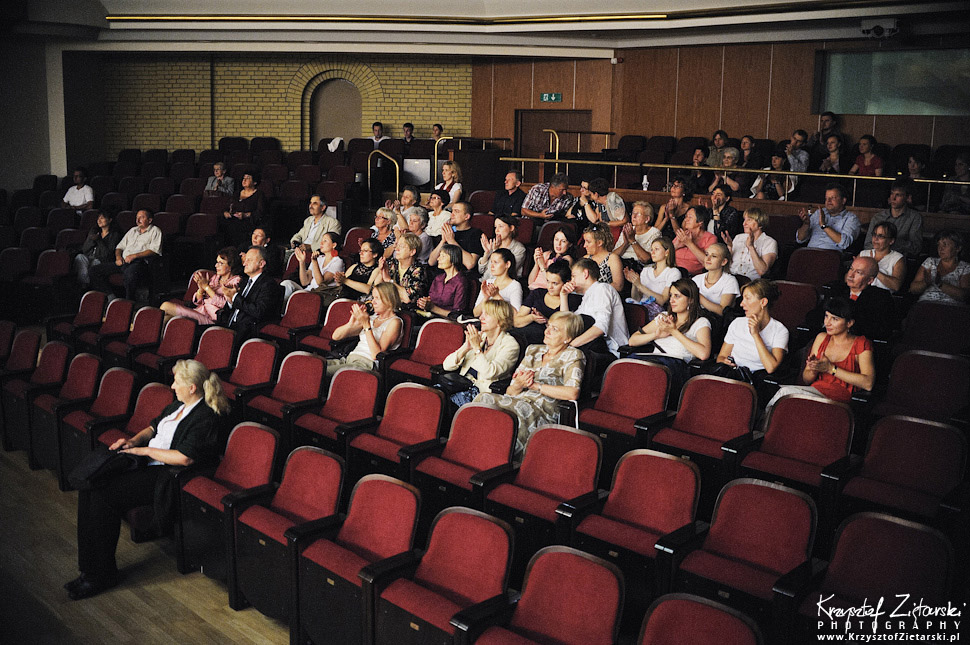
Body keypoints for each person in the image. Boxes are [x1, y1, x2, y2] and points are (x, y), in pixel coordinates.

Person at [67, 359, 228, 600]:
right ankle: (89, 570)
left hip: (166, 477)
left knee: (104, 494)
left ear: (192, 387)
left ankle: (100, 575)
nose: (172, 386)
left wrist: (144, 451)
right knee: (91, 484)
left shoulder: (205, 416)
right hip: (147, 464)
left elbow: (184, 458)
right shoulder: (178, 405)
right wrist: (133, 441)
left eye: (176, 382)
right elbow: (152, 428)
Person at [474, 311, 586, 456]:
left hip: (543, 408)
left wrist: (536, 386)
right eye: (548, 326)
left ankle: (502, 457)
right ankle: (475, 448)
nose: (547, 331)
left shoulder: (574, 355)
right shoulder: (533, 350)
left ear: (568, 337)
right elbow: (510, 392)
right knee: (483, 399)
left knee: (513, 414)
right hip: (518, 399)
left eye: (555, 329)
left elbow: (572, 392)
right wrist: (519, 384)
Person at [767, 297, 874, 408]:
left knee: (785, 393)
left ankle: (764, 419)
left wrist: (831, 369)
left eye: (834, 319)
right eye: (826, 316)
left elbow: (868, 383)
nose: (827, 323)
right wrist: (813, 369)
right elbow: (806, 379)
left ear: (849, 323)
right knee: (784, 395)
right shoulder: (822, 338)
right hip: (815, 391)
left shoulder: (862, 343)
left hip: (839, 399)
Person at [628, 279, 712, 395]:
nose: (671, 300)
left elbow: (703, 354)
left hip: (674, 367)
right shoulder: (664, 317)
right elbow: (632, 341)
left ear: (691, 300)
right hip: (652, 361)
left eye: (677, 296)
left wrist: (674, 331)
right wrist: (656, 335)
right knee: (626, 366)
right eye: (671, 295)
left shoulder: (700, 322)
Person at [440, 299, 519, 407]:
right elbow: (446, 365)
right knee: (432, 396)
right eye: (482, 314)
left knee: (442, 404)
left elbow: (490, 372)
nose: (481, 318)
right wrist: (466, 347)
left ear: (500, 320)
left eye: (487, 314)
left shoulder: (511, 345)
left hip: (480, 394)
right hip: (459, 385)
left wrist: (477, 348)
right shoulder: (480, 337)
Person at [807, 256, 895, 342]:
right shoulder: (837, 289)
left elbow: (879, 330)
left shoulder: (880, 297)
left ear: (870, 280)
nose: (851, 275)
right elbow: (814, 316)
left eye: (858, 272)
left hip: (858, 342)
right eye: (851, 269)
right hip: (828, 338)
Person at [325, 282, 402, 376]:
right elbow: (335, 337)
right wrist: (350, 324)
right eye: (373, 298)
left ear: (389, 299)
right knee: (315, 365)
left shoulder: (395, 322)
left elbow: (376, 355)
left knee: (321, 372)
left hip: (366, 364)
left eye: (377, 298)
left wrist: (366, 325)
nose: (373, 301)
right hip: (349, 359)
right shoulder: (371, 318)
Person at [715, 279, 788, 377]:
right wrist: (724, 362)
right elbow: (721, 357)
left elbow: (771, 367)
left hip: (756, 379)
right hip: (732, 374)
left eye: (747, 298)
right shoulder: (737, 323)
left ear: (763, 302)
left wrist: (756, 335)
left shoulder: (780, 330)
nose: (741, 304)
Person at [89, 209, 162, 300]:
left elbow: (154, 250)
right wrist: (118, 257)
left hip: (140, 262)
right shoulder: (133, 230)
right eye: (137, 217)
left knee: (129, 275)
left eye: (141, 217)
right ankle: (110, 296)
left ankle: (129, 302)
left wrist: (135, 256)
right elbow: (119, 247)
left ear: (149, 220)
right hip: (124, 261)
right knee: (94, 271)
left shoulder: (155, 231)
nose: (138, 220)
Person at [563, 258, 630, 356]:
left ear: (585, 274)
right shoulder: (588, 295)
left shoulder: (602, 289)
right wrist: (563, 296)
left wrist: (571, 345)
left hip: (611, 350)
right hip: (593, 347)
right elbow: (567, 322)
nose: (572, 281)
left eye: (574, 276)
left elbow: (601, 327)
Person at [160, 248, 242, 325]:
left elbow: (225, 304)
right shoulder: (216, 277)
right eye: (217, 262)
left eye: (220, 263)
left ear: (231, 266)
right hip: (200, 311)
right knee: (167, 318)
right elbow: (199, 302)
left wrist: (206, 287)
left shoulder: (236, 281)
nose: (216, 265)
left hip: (212, 318)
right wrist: (201, 290)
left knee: (166, 306)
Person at [216, 246, 283, 337]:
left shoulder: (269, 285)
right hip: (230, 326)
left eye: (249, 260)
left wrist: (235, 297)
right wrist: (230, 299)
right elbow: (232, 307)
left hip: (247, 331)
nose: (244, 263)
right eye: (245, 260)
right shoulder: (243, 281)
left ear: (261, 264)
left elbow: (259, 311)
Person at [514, 260, 581, 346]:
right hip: (520, 334)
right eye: (548, 281)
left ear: (566, 282)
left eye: (555, 283)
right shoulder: (537, 293)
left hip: (542, 340)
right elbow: (516, 322)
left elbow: (564, 328)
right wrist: (532, 317)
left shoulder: (573, 300)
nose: (550, 286)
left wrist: (546, 321)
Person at [280, 231, 344, 304]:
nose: (321, 243)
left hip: (320, 295)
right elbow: (305, 282)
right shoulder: (319, 258)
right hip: (308, 290)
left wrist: (314, 261)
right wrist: (302, 262)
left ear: (334, 245)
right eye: (321, 240)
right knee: (287, 284)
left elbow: (321, 283)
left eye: (325, 241)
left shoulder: (338, 261)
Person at [909, 230, 970, 306]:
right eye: (939, 245)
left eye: (945, 244)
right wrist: (925, 283)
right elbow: (913, 289)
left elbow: (964, 296)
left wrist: (940, 284)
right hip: (926, 304)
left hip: (951, 307)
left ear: (958, 248)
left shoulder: (965, 267)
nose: (940, 248)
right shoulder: (930, 261)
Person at [795, 184, 861, 251]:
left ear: (843, 201)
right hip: (809, 252)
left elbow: (845, 243)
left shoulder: (851, 219)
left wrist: (824, 225)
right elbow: (800, 239)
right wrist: (806, 224)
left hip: (830, 255)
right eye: (826, 198)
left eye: (833, 198)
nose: (828, 201)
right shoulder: (818, 213)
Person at [374, 232, 430, 306]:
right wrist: (381, 272)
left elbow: (408, 298)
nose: (396, 249)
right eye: (397, 245)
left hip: (407, 310)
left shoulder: (419, 270)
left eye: (401, 246)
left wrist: (389, 280)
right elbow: (376, 287)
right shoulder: (392, 263)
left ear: (412, 252)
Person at [723, 207, 778, 281]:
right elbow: (728, 265)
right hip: (730, 278)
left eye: (749, 220)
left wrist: (751, 247)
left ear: (760, 223)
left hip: (751, 282)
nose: (744, 224)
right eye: (744, 219)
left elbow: (762, 271)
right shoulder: (738, 237)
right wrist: (729, 247)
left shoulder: (769, 242)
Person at [417, 244, 471, 318]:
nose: (438, 259)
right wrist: (424, 302)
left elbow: (457, 314)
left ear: (453, 259)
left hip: (448, 321)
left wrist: (433, 308)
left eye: (443, 256)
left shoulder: (461, 282)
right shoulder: (438, 278)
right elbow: (431, 299)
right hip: (430, 317)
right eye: (439, 256)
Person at [624, 237, 681, 305]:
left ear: (667, 252)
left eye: (656, 249)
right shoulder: (646, 270)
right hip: (642, 308)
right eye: (651, 250)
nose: (652, 253)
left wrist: (640, 285)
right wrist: (634, 283)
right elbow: (637, 299)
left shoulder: (673, 272)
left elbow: (663, 301)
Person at [429, 202, 483, 272]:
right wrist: (443, 241)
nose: (452, 214)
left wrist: (452, 241)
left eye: (456, 211)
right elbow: (431, 262)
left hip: (462, 275)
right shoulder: (449, 232)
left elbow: (470, 264)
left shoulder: (475, 233)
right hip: (442, 274)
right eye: (452, 211)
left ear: (466, 217)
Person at [75, 210, 121, 287]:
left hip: (102, 259)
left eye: (102, 218)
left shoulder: (115, 235)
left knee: (95, 263)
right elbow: (85, 250)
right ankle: (86, 283)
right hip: (90, 256)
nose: (99, 221)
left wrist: (99, 240)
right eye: (98, 218)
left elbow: (107, 254)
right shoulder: (94, 231)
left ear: (109, 220)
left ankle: (87, 286)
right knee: (80, 257)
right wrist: (91, 240)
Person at [692, 243, 739, 317]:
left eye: (714, 256)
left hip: (716, 321)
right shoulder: (696, 279)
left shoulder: (730, 281)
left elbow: (723, 311)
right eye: (707, 254)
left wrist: (697, 295)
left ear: (723, 262)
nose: (708, 259)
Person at [221, 171, 266, 248]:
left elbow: (260, 212)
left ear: (254, 182)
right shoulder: (237, 193)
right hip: (233, 220)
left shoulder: (259, 194)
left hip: (248, 222)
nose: (244, 180)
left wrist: (245, 215)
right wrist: (226, 212)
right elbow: (226, 207)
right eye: (243, 178)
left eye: (248, 178)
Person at [528, 225, 580, 290]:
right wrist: (536, 264)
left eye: (563, 241)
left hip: (547, 291)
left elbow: (552, 282)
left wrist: (542, 265)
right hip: (533, 289)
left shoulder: (568, 259)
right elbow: (530, 282)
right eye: (556, 239)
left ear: (570, 244)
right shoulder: (546, 254)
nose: (558, 244)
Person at [474, 248, 523, 316]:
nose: (492, 266)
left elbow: (516, 315)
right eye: (491, 262)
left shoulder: (514, 286)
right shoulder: (488, 282)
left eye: (496, 262)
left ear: (507, 264)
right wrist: (486, 297)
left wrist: (496, 296)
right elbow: (475, 313)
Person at [613, 201, 661, 271]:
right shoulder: (628, 229)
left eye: (638, 214)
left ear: (647, 219)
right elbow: (613, 255)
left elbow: (646, 259)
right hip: (620, 264)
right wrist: (625, 243)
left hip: (638, 267)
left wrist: (632, 240)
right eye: (633, 213)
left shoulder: (654, 233)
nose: (634, 216)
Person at [672, 205, 717, 276]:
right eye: (686, 217)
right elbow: (664, 255)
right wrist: (675, 246)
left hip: (693, 277)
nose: (686, 220)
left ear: (700, 222)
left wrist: (689, 244)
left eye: (690, 217)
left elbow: (708, 262)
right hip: (672, 271)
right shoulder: (683, 234)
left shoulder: (710, 238)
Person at [860, 222, 905, 292]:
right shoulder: (863, 254)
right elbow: (847, 278)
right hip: (860, 292)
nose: (875, 239)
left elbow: (896, 286)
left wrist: (875, 271)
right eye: (874, 234)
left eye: (881, 236)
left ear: (891, 241)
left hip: (882, 295)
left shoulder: (897, 258)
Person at [581, 224, 624, 293]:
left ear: (599, 243)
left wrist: (594, 288)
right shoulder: (585, 258)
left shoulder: (612, 258)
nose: (584, 245)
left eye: (588, 242)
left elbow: (618, 286)